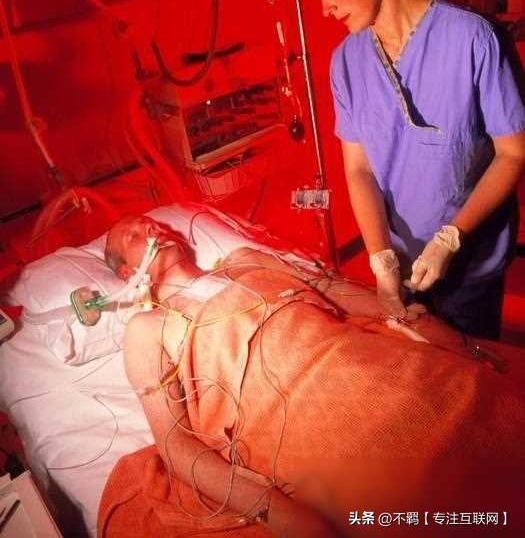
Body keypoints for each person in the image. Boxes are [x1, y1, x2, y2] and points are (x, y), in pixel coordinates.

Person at [98, 215, 525, 538]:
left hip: (366, 360)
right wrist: (273, 510)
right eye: (133, 235)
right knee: (417, 493)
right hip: (292, 416)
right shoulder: (148, 328)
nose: (152, 228)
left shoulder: (243, 263)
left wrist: (421, 323)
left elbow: (332, 290)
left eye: (152, 222)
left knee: (482, 408)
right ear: (126, 275)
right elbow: (174, 446)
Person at [289, 0, 525, 340]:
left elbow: (513, 153)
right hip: (402, 261)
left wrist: (451, 238)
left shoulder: (474, 39)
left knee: (473, 366)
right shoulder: (347, 62)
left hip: (470, 260)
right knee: (419, 364)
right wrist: (381, 259)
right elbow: (359, 170)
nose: (325, 8)